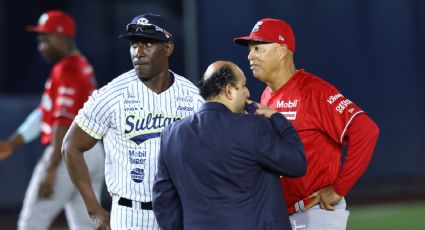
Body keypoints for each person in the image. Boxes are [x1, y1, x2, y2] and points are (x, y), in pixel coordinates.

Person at [233, 18, 380, 229]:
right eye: (250, 49)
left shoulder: (313, 91)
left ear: (282, 51)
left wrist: (339, 189)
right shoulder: (267, 95)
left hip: (315, 214)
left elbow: (366, 131)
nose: (250, 55)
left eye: (258, 48)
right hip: (286, 216)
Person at [61, 13, 204, 230]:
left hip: (179, 212)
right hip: (129, 216)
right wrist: (94, 210)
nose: (138, 52)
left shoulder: (192, 96)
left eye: (147, 43)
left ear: (168, 48)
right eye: (134, 44)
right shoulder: (112, 94)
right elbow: (70, 146)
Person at [152, 60, 307, 230]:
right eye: (243, 86)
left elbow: (164, 201)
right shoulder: (252, 127)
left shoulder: (171, 135)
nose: (248, 93)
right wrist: (277, 118)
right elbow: (297, 163)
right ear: (229, 90)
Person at [0, 10, 105, 230]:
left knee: (31, 224)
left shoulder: (68, 70)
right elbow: (44, 113)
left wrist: (50, 168)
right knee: (85, 225)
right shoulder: (81, 65)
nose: (41, 46)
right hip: (94, 152)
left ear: (63, 38)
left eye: (46, 39)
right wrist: (12, 143)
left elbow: (63, 122)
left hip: (68, 154)